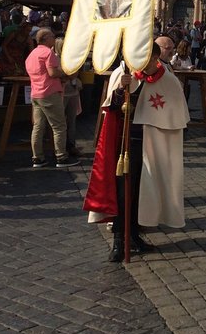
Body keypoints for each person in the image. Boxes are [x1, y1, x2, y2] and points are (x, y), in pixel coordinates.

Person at [84, 43, 190, 261]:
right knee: (123, 192)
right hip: (123, 143)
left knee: (141, 193)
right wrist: (122, 89)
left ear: (156, 59)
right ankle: (118, 241)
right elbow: (110, 109)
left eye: (149, 60)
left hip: (152, 144)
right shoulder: (123, 74)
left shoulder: (168, 80)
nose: (144, 64)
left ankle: (133, 234)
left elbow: (176, 117)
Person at [25, 28, 78, 168]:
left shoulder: (32, 54)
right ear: (46, 38)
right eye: (52, 36)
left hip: (36, 93)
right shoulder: (48, 52)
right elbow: (53, 72)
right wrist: (66, 72)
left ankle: (37, 158)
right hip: (49, 93)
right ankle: (61, 157)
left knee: (38, 126)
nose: (54, 39)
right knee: (59, 125)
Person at [54, 37, 84, 158]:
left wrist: (69, 75)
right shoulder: (55, 58)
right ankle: (60, 147)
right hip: (62, 92)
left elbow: (74, 72)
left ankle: (71, 145)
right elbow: (61, 74)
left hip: (72, 92)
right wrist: (68, 75)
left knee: (71, 120)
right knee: (60, 122)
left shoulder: (71, 58)